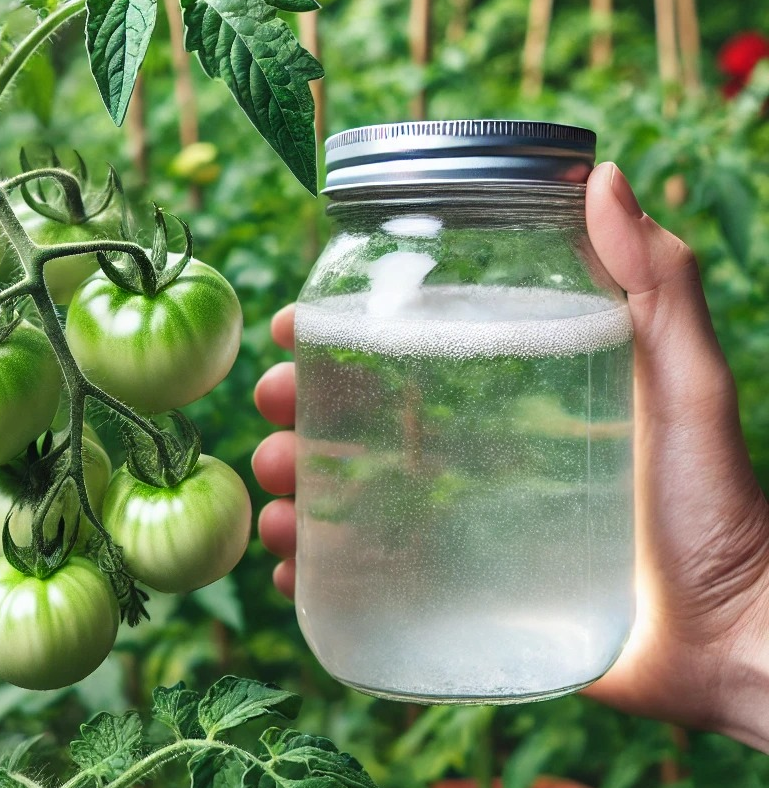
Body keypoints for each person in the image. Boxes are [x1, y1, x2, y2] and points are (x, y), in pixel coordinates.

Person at [251, 162, 769, 753]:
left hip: (588, 632)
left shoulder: (569, 272)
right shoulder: (357, 265)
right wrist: (735, 635)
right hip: (429, 635)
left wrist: (735, 619)